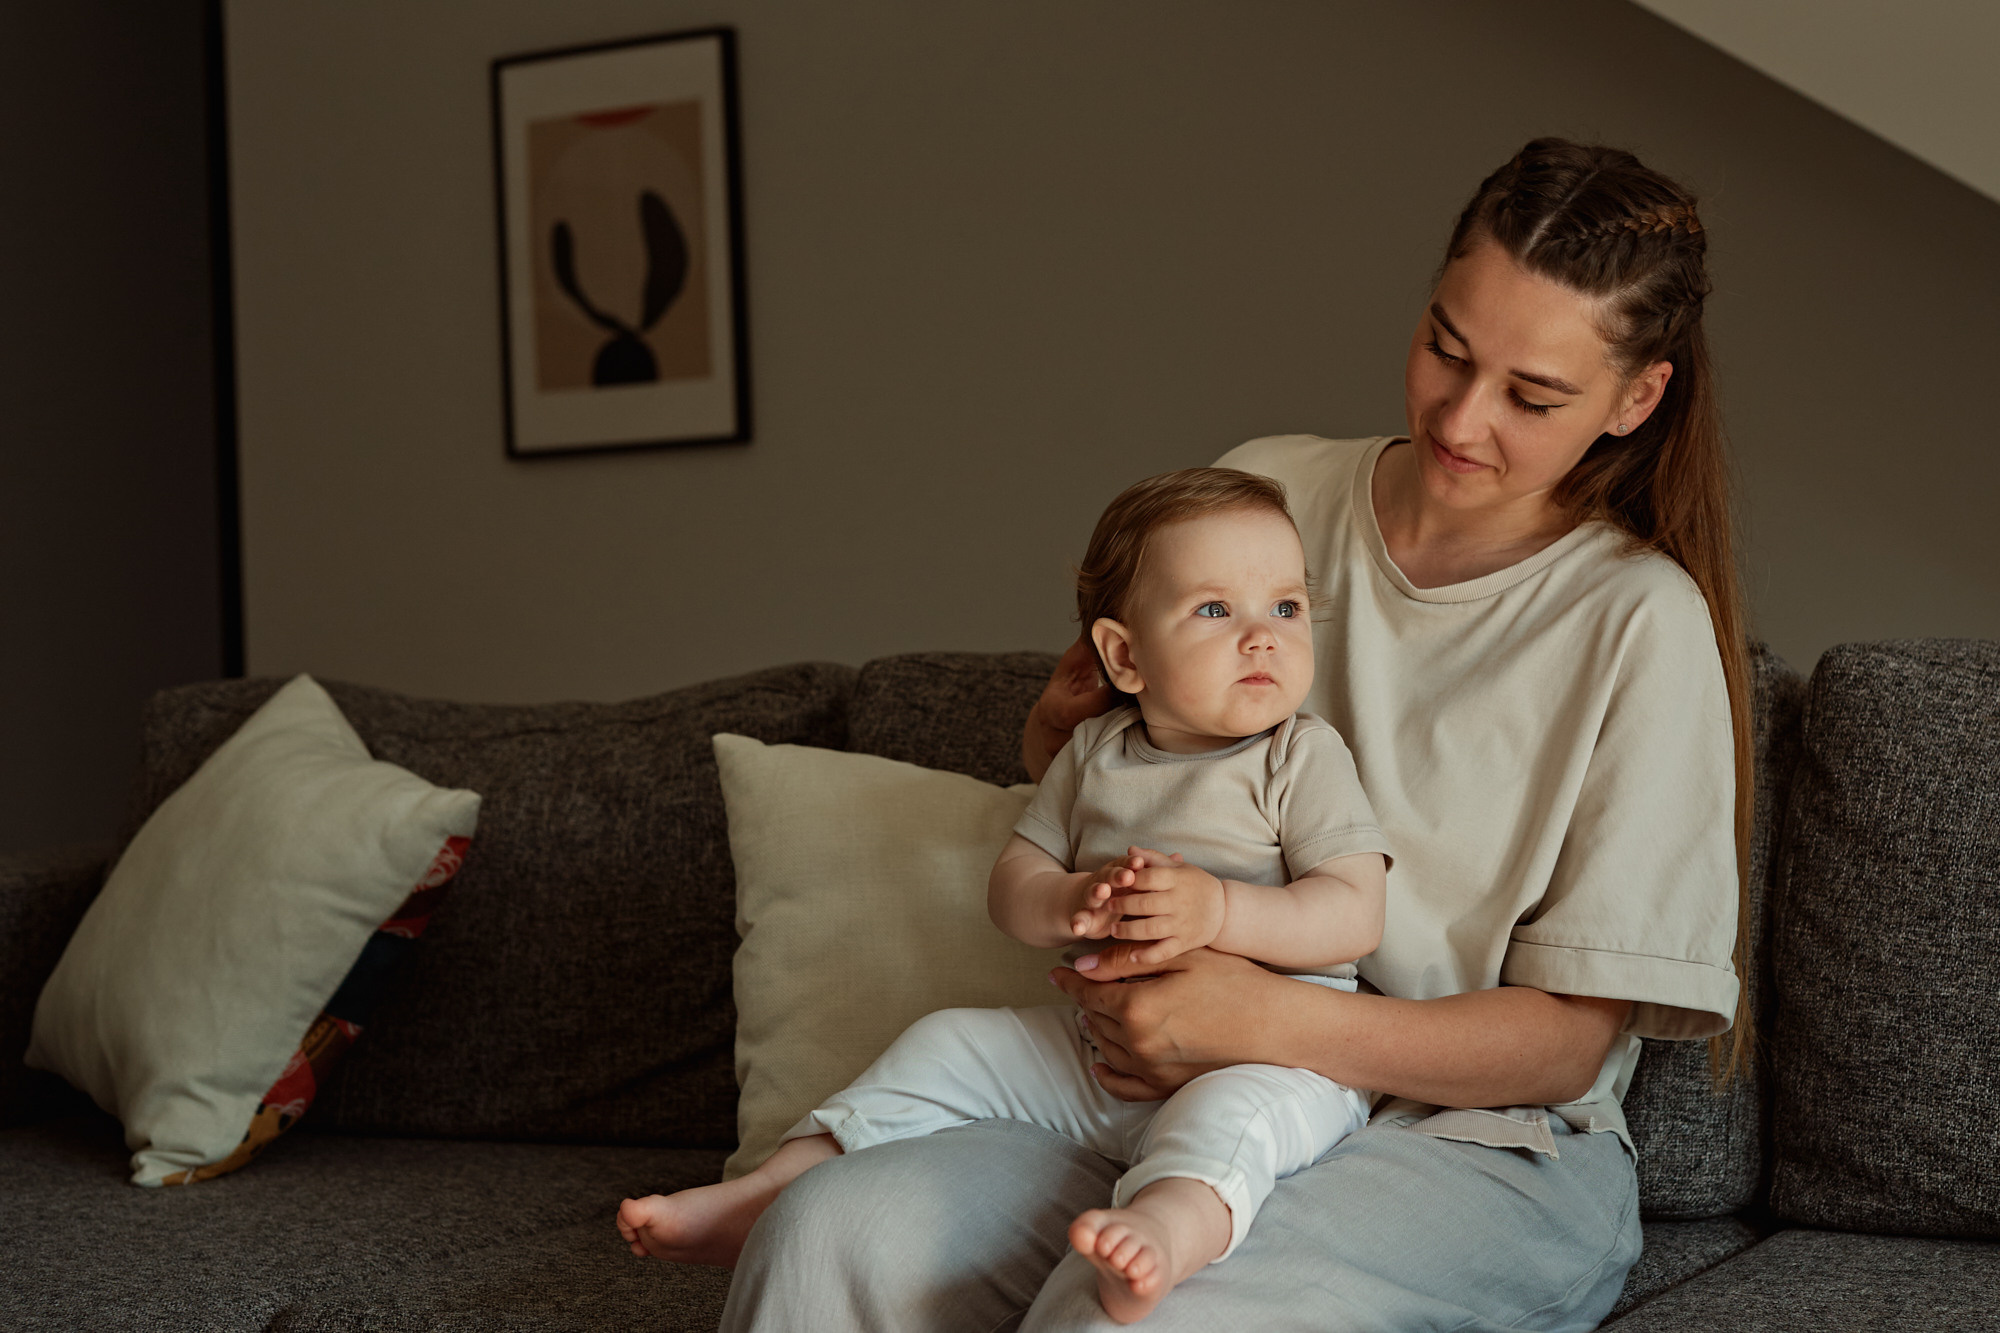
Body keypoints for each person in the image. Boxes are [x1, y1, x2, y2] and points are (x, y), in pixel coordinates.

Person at [714, 137, 1751, 1331]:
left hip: (1471, 1142)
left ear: (1637, 396)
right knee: (826, 1234)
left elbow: (1564, 1049)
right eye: (1443, 349)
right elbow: (1120, 771)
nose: (1461, 420)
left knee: (1130, 1316)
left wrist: (1257, 1019)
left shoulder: (1636, 622)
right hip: (1158, 1094)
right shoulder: (1264, 491)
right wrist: (1058, 742)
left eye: (1531, 396)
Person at [619, 468, 1391, 1324]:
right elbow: (1013, 884)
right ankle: (769, 1187)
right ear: (1125, 655)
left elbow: (1354, 911)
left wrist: (1221, 911)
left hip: (1275, 1058)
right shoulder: (1096, 751)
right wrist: (1070, 902)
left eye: (1285, 607)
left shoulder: (1300, 757)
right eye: (1217, 610)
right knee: (947, 1041)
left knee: (1233, 1123)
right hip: (1092, 1054)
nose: (1263, 638)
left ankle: (1164, 1235)